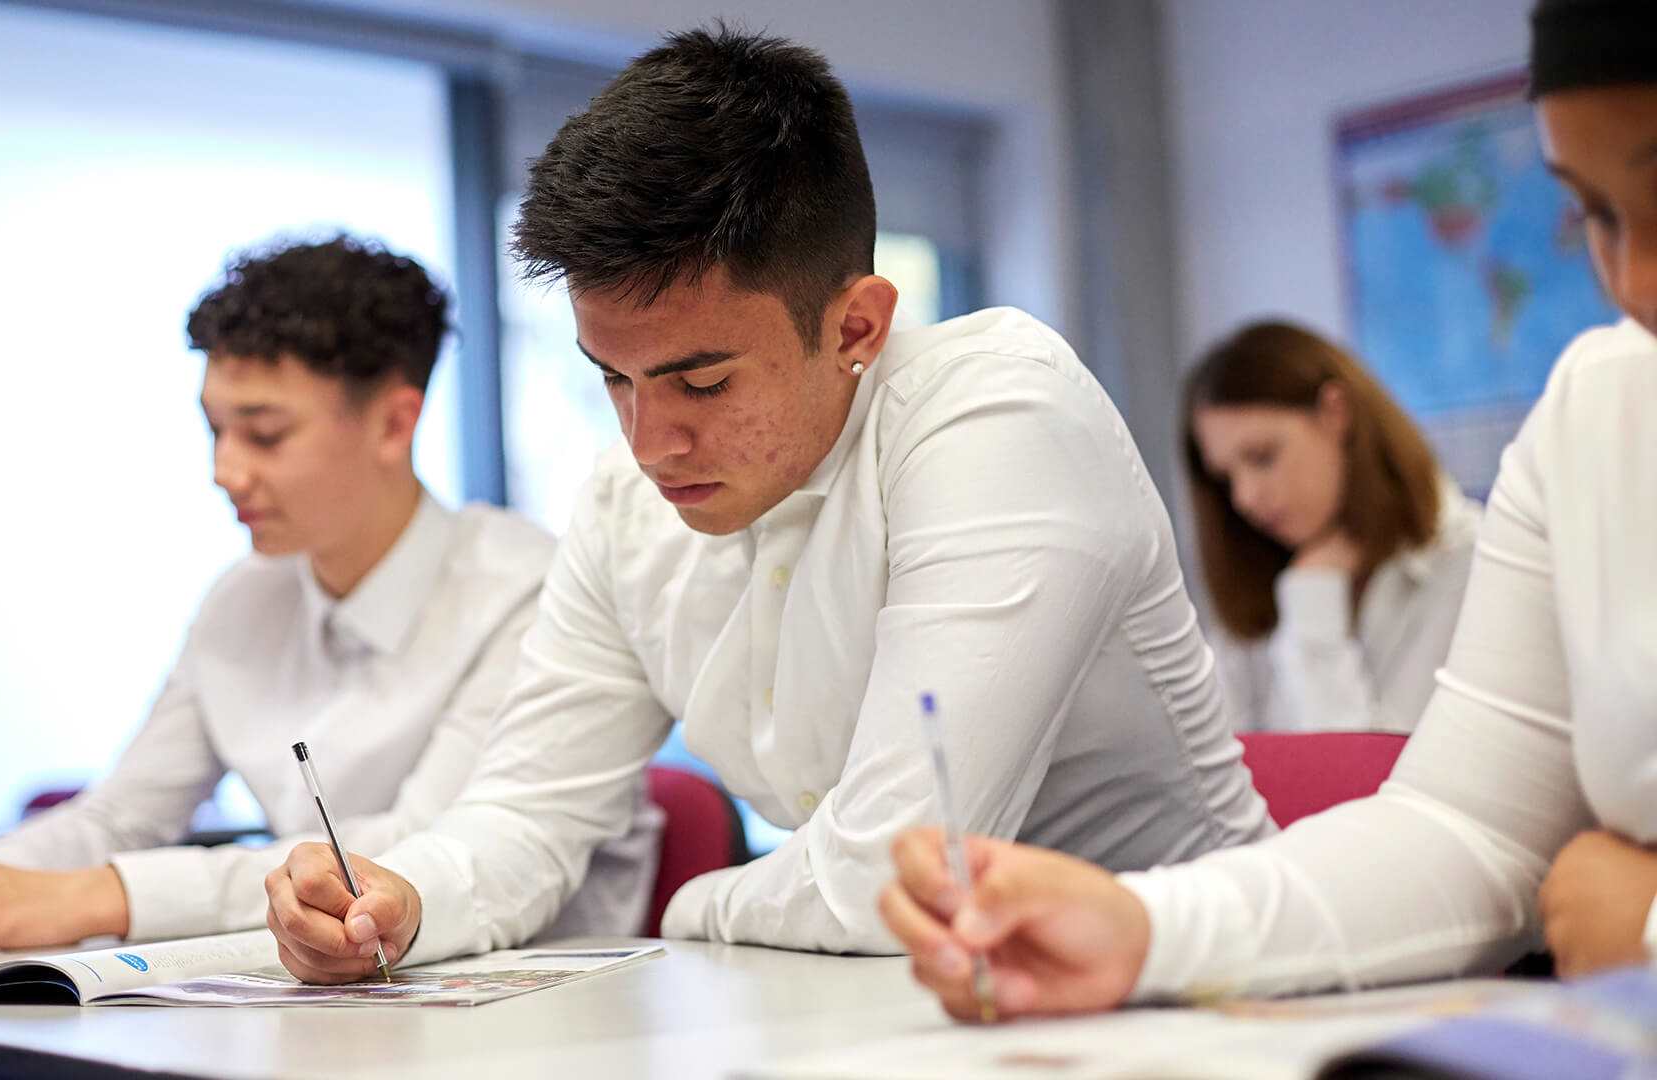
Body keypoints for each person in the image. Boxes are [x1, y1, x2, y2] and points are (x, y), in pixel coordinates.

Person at [259, 25, 1272, 985]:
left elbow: (896, 878)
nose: (651, 445)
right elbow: (527, 814)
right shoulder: (626, 505)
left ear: (858, 327)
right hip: (901, 1014)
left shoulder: (999, 413)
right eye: (613, 379)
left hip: (1212, 1006)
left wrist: (696, 905)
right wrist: (407, 897)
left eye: (703, 385)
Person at [882, 0, 1657, 1021]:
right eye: (1593, 215)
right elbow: (1467, 830)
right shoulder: (1597, 412)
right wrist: (1144, 929)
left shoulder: (1454, 549)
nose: (1632, 281)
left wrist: (1643, 928)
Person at [0, 236, 657, 952]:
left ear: (394, 424)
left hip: (522, 1014)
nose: (226, 472)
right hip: (308, 1003)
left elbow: (419, 855)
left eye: (264, 433)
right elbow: (121, 818)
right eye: (214, 429)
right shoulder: (243, 601)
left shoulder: (526, 590)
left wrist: (98, 898)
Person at [1185, 322, 1480, 733]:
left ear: (1335, 413)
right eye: (1226, 478)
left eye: (1262, 457)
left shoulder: (1472, 565)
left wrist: (1312, 599)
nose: (1244, 498)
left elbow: (1365, 779)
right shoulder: (1256, 583)